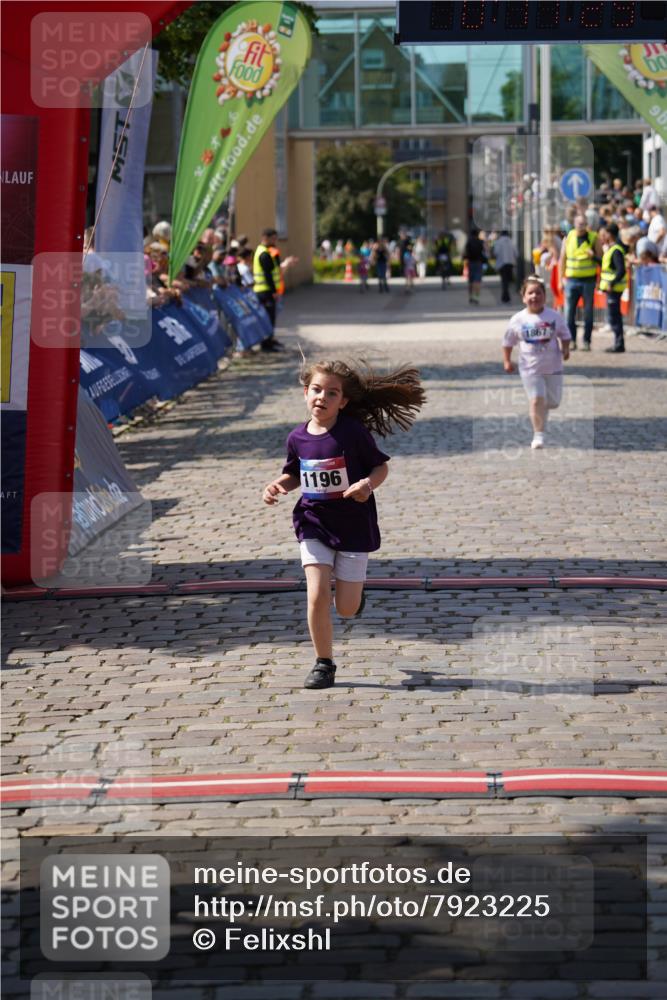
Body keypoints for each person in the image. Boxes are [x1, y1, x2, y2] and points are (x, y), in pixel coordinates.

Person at [262, 359, 425, 689]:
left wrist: (366, 485)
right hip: (313, 521)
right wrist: (277, 485)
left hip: (352, 524)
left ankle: (355, 594)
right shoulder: (297, 437)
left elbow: (380, 468)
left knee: (347, 609)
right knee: (317, 594)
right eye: (317, 390)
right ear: (305, 393)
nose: (322, 397)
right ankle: (323, 663)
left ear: (343, 401)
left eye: (332, 392)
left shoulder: (352, 433)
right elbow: (295, 473)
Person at [502, 276, 571, 450]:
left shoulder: (554, 316)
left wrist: (566, 349)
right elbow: (508, 342)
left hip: (553, 366)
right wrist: (507, 361)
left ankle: (542, 410)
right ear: (524, 297)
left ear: (544, 296)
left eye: (538, 293)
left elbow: (565, 334)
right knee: (536, 400)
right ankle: (538, 435)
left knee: (553, 402)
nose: (534, 296)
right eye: (530, 293)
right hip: (529, 368)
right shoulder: (517, 319)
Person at [558, 213, 602, 351]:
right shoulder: (569, 237)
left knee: (588, 312)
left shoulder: (594, 237)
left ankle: (586, 341)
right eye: (579, 224)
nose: (581, 226)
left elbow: (601, 260)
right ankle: (571, 340)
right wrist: (560, 279)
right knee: (569, 313)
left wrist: (593, 256)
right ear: (574, 224)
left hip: (588, 281)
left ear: (587, 224)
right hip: (571, 280)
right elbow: (562, 259)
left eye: (583, 224)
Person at [252, 227, 296, 352]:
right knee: (268, 318)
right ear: (265, 238)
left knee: (271, 317)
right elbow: (268, 275)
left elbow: (275, 271)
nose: (275, 241)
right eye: (273, 238)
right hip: (264, 291)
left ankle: (270, 340)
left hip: (266, 291)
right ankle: (266, 344)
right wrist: (274, 292)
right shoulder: (264, 254)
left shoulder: (268, 251)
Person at [599, 223, 627, 354]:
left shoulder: (616, 250)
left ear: (610, 234)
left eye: (604, 233)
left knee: (615, 317)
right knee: (614, 317)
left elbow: (621, 270)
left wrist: (612, 283)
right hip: (612, 289)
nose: (602, 236)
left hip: (614, 289)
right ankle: (618, 343)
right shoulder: (610, 249)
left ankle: (619, 344)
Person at [463, 227, 486, 305]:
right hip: (478, 263)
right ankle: (476, 297)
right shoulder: (480, 242)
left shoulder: (468, 242)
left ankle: (470, 297)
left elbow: (465, 253)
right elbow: (484, 252)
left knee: (471, 281)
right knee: (477, 281)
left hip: (470, 263)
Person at [493, 229, 517, 303]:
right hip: (510, 263)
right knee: (508, 280)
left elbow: (495, 253)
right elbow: (516, 253)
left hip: (502, 263)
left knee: (504, 280)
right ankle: (506, 296)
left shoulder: (498, 242)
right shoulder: (512, 242)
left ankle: (505, 296)